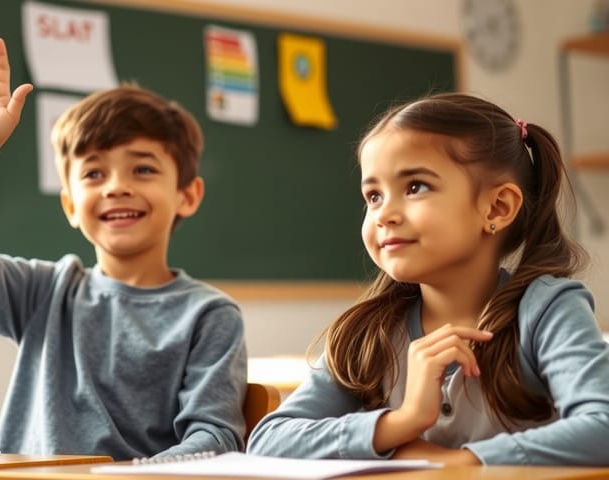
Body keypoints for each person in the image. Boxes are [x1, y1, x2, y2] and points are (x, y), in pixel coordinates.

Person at [0, 29, 247, 460]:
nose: (116, 187)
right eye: (93, 174)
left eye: (143, 169)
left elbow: (214, 439)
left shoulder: (208, 316)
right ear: (70, 205)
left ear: (188, 195)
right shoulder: (44, 291)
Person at [246, 92, 609, 465]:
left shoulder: (548, 310)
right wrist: (402, 422)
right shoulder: (367, 333)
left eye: (415, 187)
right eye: (373, 196)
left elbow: (603, 426)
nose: (384, 214)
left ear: (497, 207)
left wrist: (463, 461)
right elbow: (270, 440)